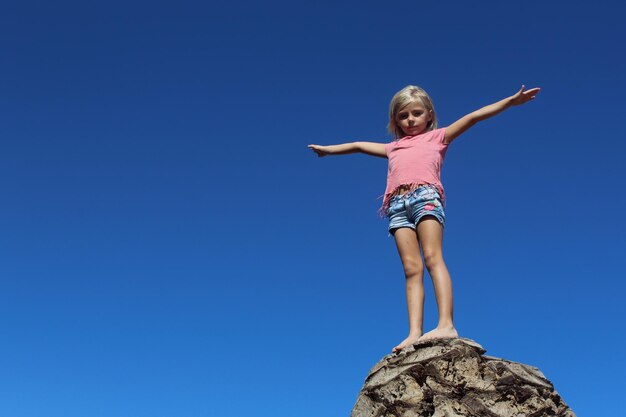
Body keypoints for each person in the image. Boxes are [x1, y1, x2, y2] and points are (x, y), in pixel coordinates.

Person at [308, 85, 541, 352]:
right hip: (396, 205)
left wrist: (510, 101)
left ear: (429, 115)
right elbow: (359, 145)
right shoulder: (392, 147)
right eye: (403, 115)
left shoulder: (438, 137)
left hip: (425, 197)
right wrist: (328, 150)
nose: (410, 119)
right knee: (411, 270)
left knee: (432, 257)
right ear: (395, 120)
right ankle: (413, 332)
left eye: (416, 113)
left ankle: (446, 324)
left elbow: (474, 117)